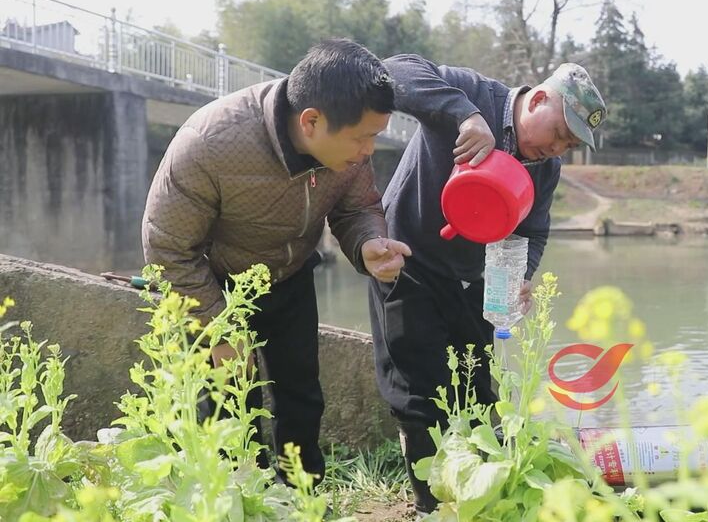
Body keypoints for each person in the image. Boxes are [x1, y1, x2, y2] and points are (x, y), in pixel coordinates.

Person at [142, 39, 412, 483]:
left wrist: (367, 243)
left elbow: (357, 207)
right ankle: (237, 500)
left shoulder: (347, 150)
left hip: (290, 275)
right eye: (362, 137)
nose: (369, 150)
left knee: (301, 396)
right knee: (228, 405)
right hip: (216, 286)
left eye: (375, 136)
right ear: (311, 122)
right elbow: (167, 250)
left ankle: (302, 496)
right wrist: (218, 330)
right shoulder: (209, 141)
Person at [369, 54, 607, 513]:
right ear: (537, 100)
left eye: (570, 144)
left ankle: (480, 498)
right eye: (560, 132)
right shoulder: (474, 94)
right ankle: (431, 507)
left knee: (479, 390)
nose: (558, 148)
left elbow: (533, 229)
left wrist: (522, 276)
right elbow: (392, 70)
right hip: (407, 261)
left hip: (474, 278)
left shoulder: (546, 167)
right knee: (419, 393)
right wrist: (466, 117)